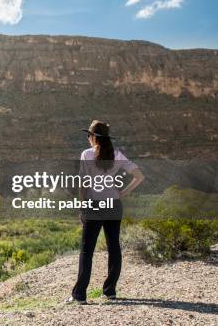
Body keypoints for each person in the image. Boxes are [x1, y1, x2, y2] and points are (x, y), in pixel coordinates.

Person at [66, 120, 145, 304]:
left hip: (94, 205)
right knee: (114, 248)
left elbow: (83, 184)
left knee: (87, 251)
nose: (88, 138)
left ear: (94, 137)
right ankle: (110, 291)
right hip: (114, 205)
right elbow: (139, 176)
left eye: (89, 135)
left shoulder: (86, 154)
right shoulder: (117, 155)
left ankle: (79, 296)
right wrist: (123, 192)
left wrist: (82, 206)